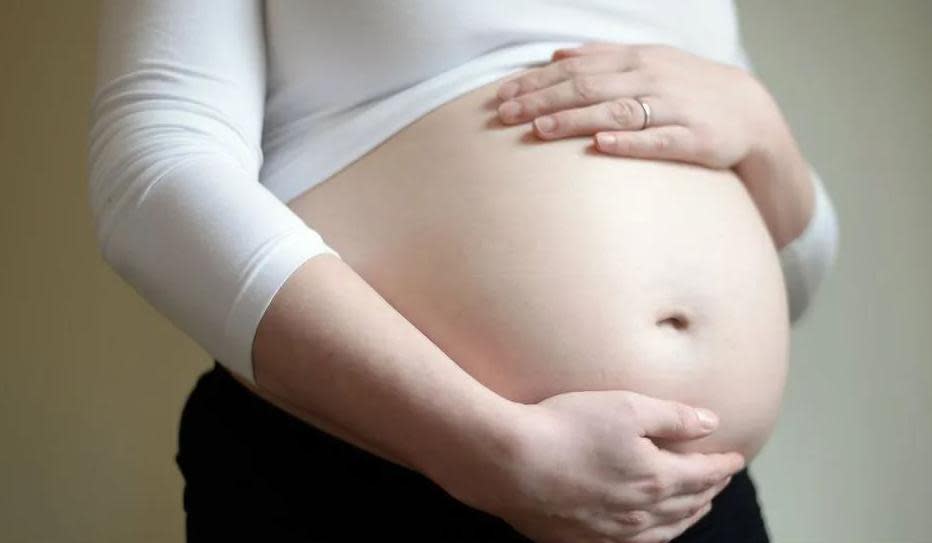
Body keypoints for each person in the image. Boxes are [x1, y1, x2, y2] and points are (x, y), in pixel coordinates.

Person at [87, 1, 838, 541]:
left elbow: (797, 276)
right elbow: (152, 176)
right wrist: (487, 450)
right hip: (373, 474)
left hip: (688, 502)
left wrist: (760, 126)